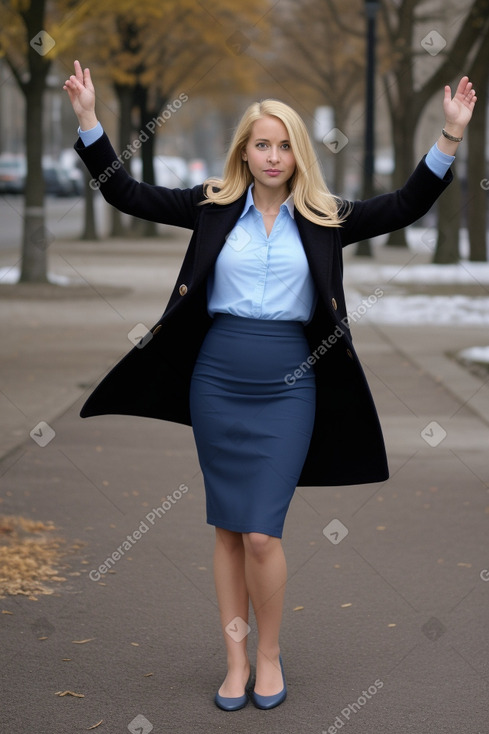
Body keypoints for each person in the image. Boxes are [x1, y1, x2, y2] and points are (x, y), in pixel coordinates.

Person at [63, 60, 476, 711]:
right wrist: (89, 120)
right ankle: (233, 661)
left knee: (261, 532)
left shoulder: (324, 215)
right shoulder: (210, 206)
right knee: (228, 529)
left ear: (297, 151)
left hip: (290, 384)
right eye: (262, 143)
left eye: (284, 144)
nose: (273, 155)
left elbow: (404, 205)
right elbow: (127, 194)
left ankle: (268, 654)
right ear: (244, 151)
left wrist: (448, 136)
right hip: (217, 379)